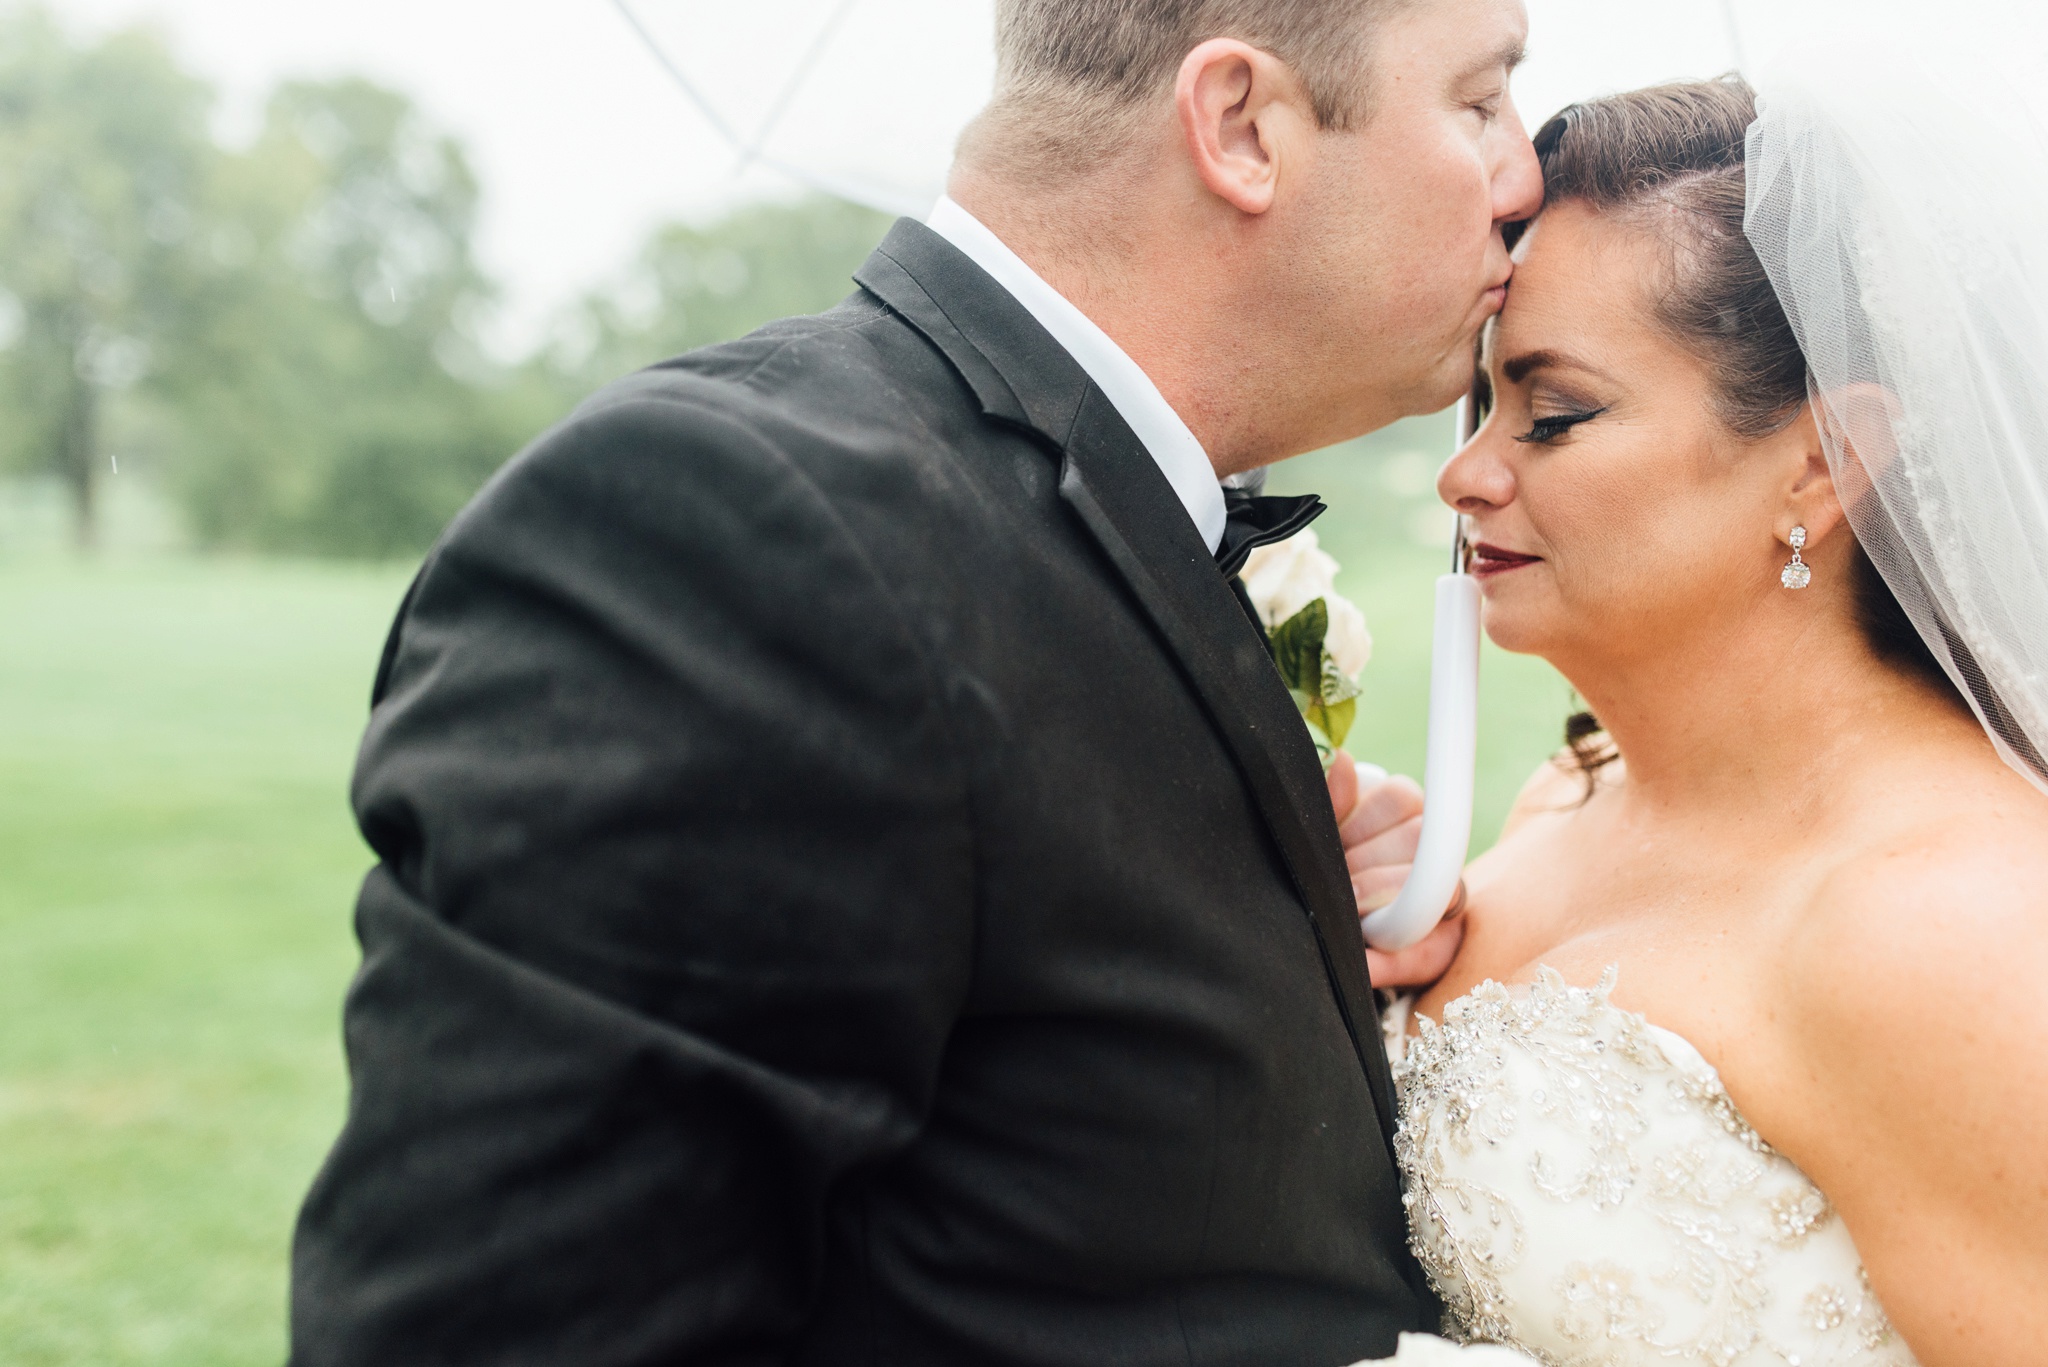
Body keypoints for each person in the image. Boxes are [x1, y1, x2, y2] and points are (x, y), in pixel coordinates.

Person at [286, 1, 1539, 1362]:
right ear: (1240, 127)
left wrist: (1275, 937)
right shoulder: (732, 535)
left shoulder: (1088, 516)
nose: (1524, 177)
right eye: (1480, 102)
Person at [1336, 69, 2048, 1365]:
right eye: (1483, 401)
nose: (1465, 471)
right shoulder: (1569, 796)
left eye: (1554, 415)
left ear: (1823, 465)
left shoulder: (1950, 930)